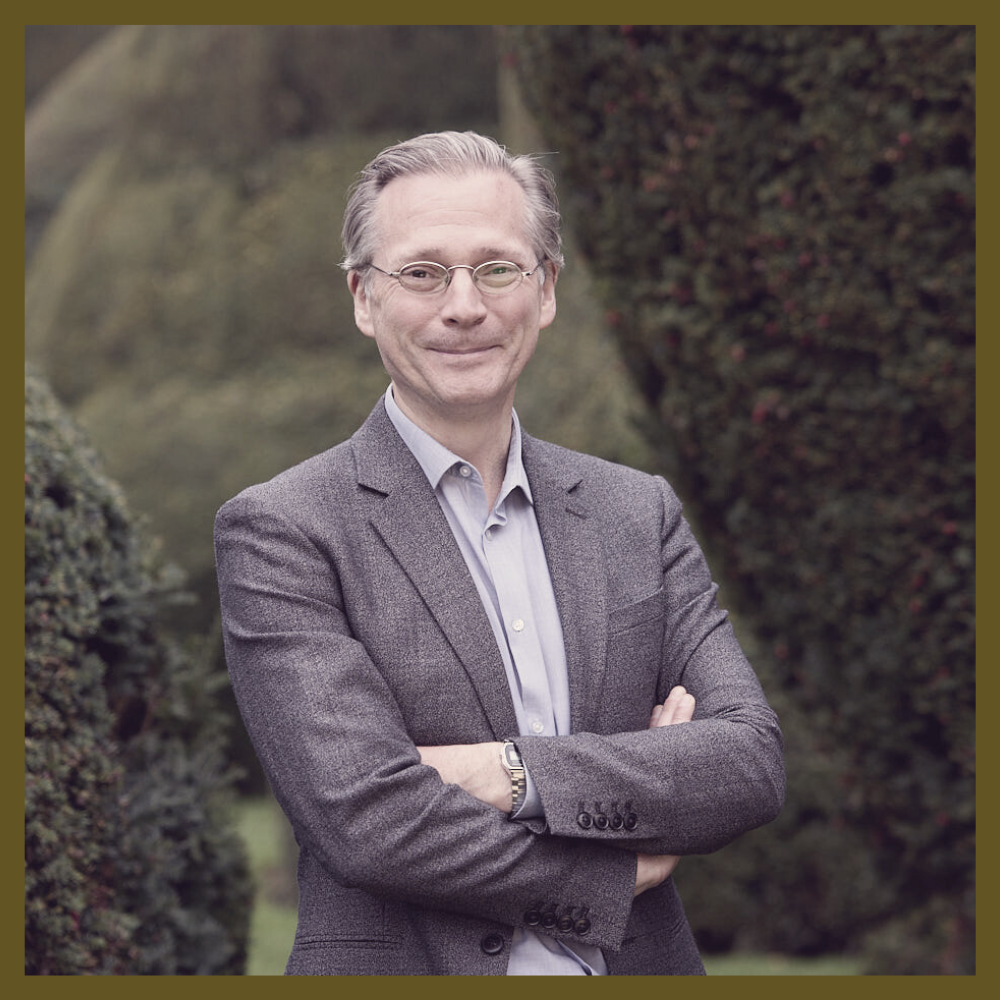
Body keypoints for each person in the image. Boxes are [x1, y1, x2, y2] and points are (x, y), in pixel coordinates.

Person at [214, 130, 784, 976]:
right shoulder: (284, 529)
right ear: (363, 297)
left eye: (498, 268)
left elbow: (747, 762)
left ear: (546, 290)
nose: (464, 305)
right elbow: (369, 822)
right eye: (422, 272)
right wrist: (619, 861)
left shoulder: (639, 512)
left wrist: (510, 774)